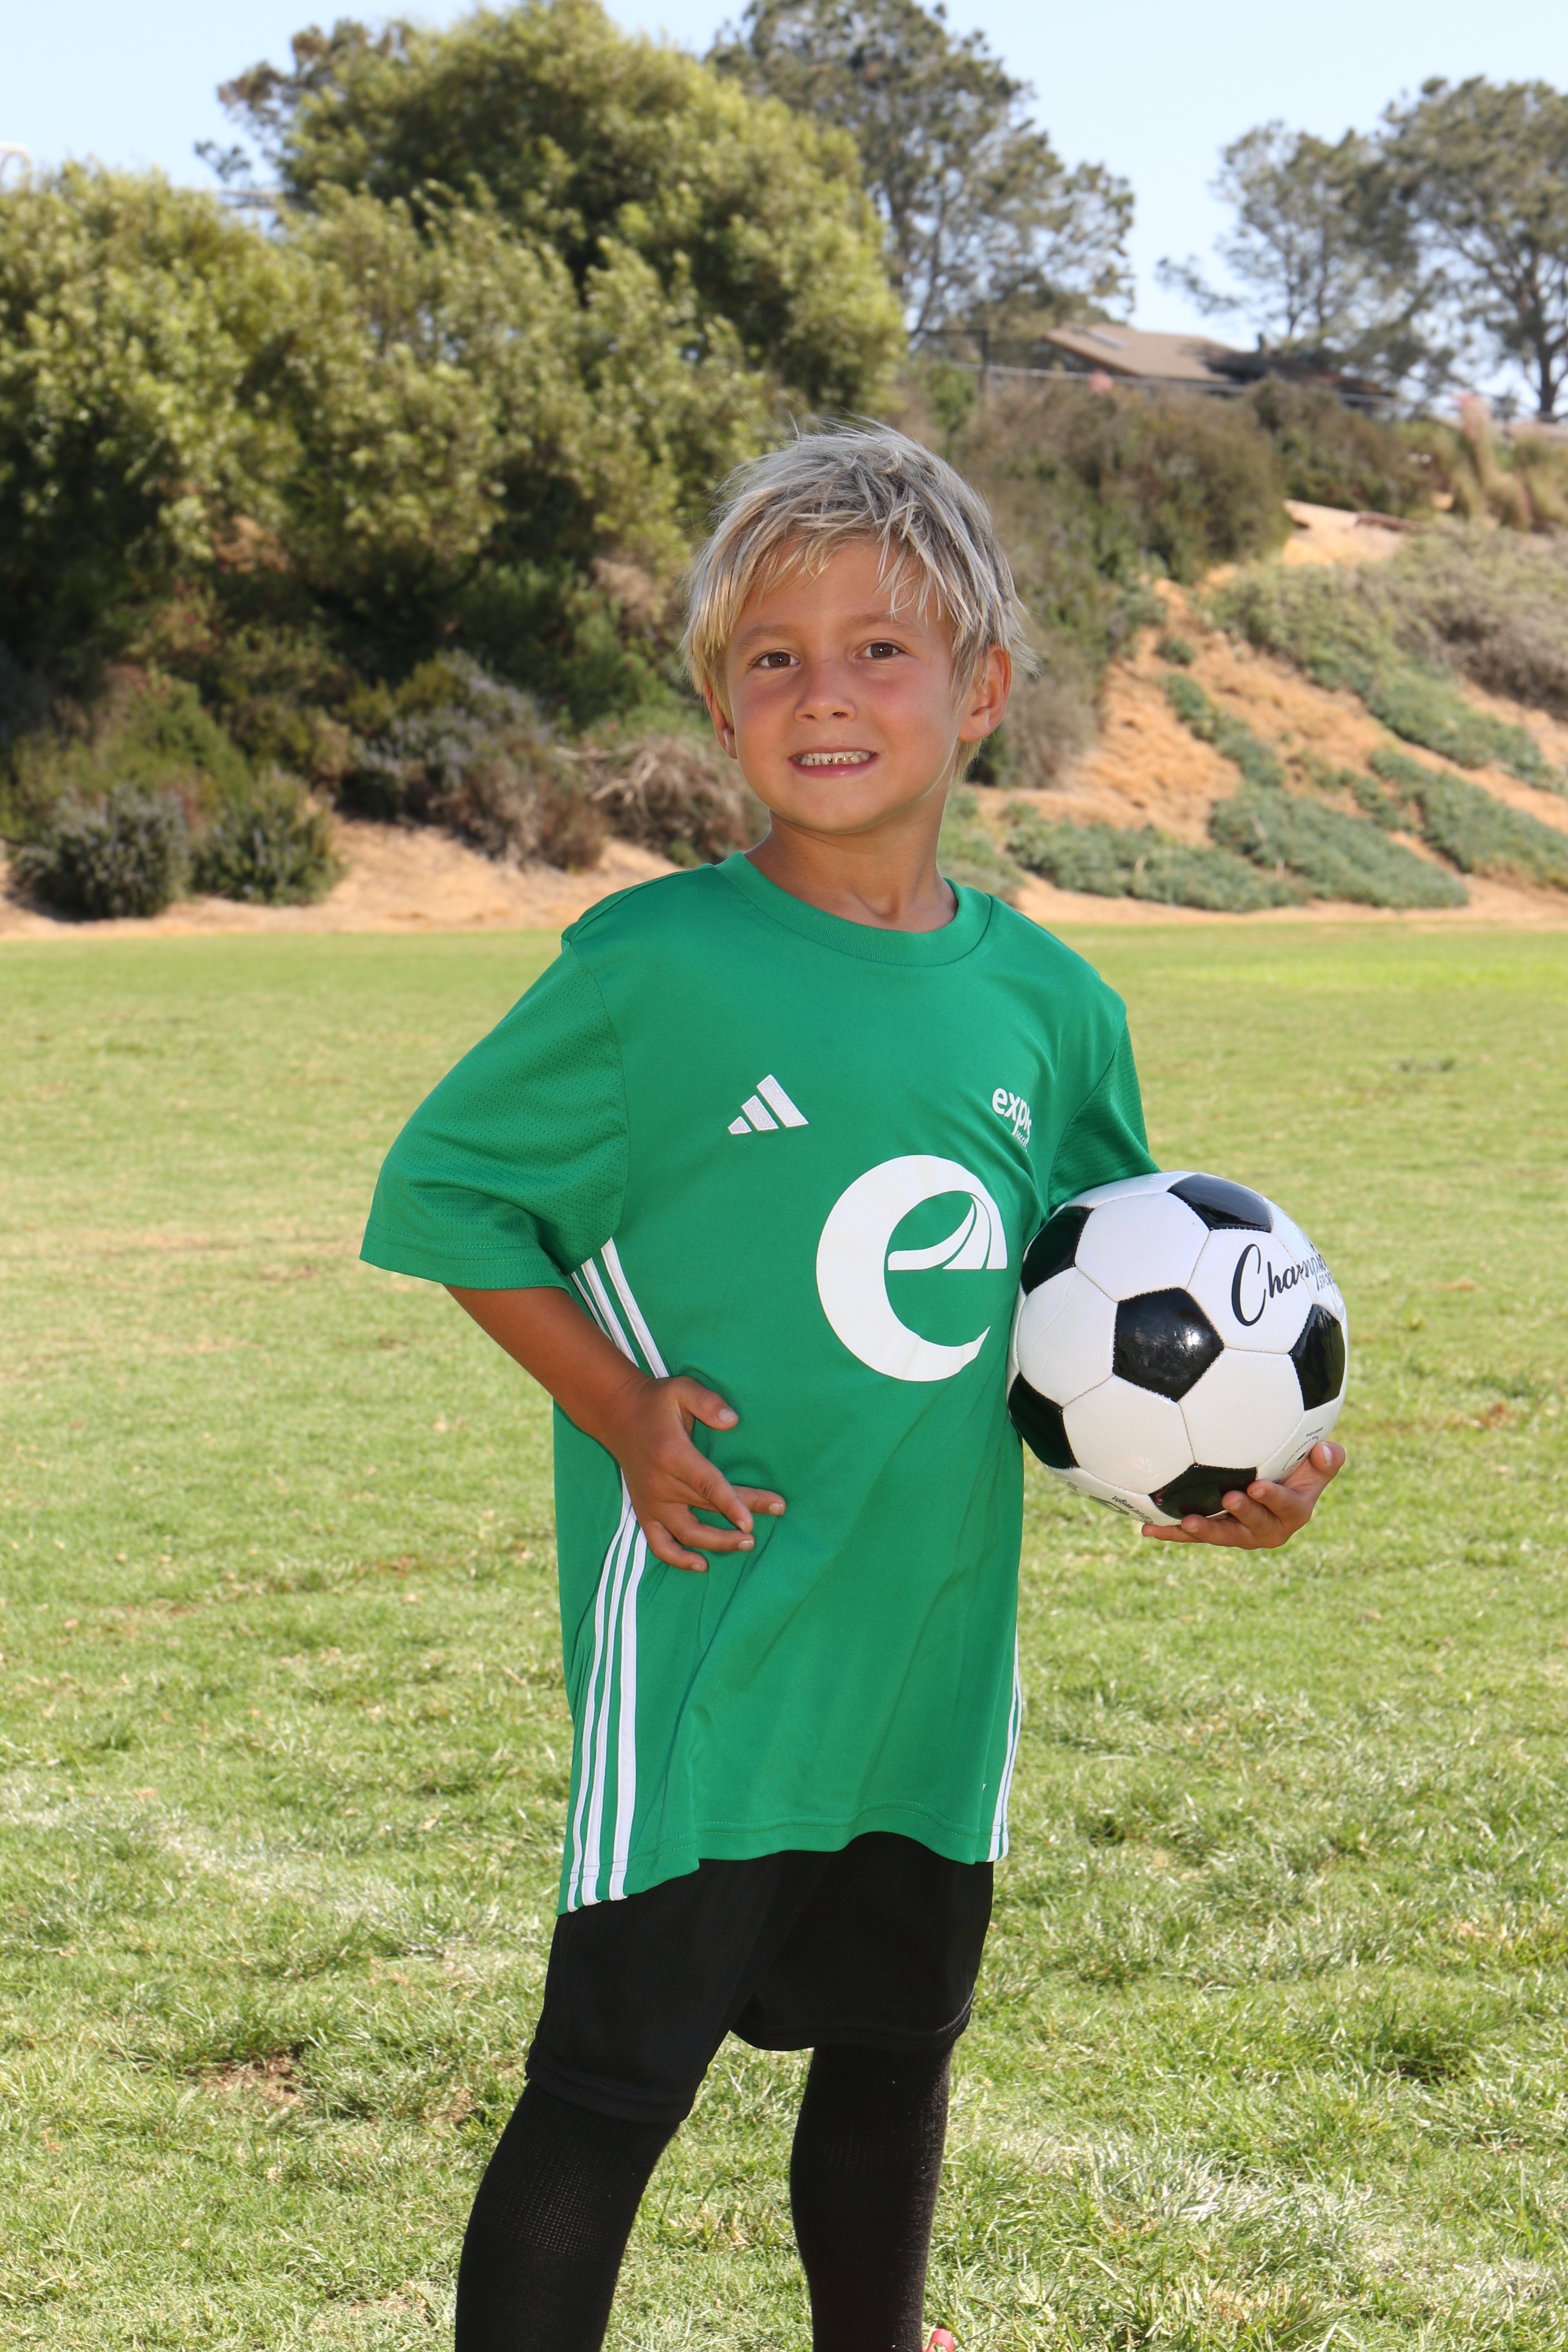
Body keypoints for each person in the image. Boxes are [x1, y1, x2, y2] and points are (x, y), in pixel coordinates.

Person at [360, 428, 1344, 2351]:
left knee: (894, 2063)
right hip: (722, 1643)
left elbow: (1105, 1314)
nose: (824, 693)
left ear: (980, 691)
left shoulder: (1052, 1007)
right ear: (721, 703)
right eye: (774, 658)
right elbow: (446, 1194)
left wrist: (1233, 1481)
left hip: (933, 1652)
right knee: (610, 2088)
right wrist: (622, 1410)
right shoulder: (654, 967)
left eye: (879, 649)